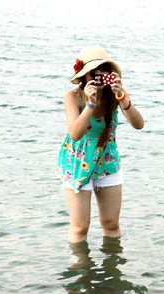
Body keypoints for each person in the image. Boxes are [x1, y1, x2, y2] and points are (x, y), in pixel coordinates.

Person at [57, 46, 144, 244]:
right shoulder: (73, 97)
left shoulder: (115, 94)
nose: (101, 77)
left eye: (105, 71)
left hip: (107, 159)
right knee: (80, 227)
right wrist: (90, 104)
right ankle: (81, 272)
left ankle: (112, 270)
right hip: (77, 162)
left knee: (111, 223)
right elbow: (75, 134)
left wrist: (123, 98)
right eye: (95, 74)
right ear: (84, 76)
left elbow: (138, 125)